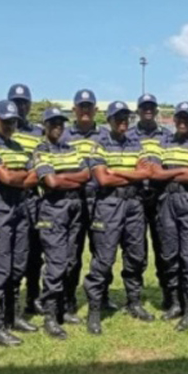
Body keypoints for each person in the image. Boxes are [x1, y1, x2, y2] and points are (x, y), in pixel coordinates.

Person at [84, 101, 158, 335]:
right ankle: (95, 310)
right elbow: (103, 180)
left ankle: (133, 302)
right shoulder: (99, 145)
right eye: (118, 118)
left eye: (126, 117)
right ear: (109, 120)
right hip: (108, 205)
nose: (122, 122)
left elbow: (148, 173)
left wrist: (116, 171)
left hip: (134, 205)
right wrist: (134, 174)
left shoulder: (137, 144)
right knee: (104, 259)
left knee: (136, 256)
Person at [0, 100, 39, 346]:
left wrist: (18, 177)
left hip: (20, 208)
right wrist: (21, 176)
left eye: (14, 122)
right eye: (5, 121)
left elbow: (36, 175)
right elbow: (4, 177)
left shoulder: (18, 147)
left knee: (18, 266)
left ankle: (12, 317)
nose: (10, 125)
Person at [32, 107, 91, 339]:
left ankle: (64, 308)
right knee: (56, 263)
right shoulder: (40, 150)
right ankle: (50, 316)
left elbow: (86, 175)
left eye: (60, 123)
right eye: (53, 123)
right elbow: (51, 182)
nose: (57, 126)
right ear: (44, 126)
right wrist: (67, 179)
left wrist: (62, 177)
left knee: (71, 260)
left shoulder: (71, 149)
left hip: (75, 207)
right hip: (54, 209)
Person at [152, 101, 188, 331]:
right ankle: (176, 303)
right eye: (180, 117)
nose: (183, 122)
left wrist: (168, 173)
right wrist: (182, 171)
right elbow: (154, 174)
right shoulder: (162, 142)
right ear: (174, 119)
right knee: (169, 255)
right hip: (166, 201)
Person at [60, 89, 113, 315]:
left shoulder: (105, 136)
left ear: (96, 109)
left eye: (89, 106)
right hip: (73, 199)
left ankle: (102, 295)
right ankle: (68, 298)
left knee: (102, 251)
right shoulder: (63, 135)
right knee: (71, 253)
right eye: (81, 106)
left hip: (101, 199)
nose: (85, 110)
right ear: (74, 109)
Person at [127, 93, 173, 315]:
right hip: (135, 197)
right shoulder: (128, 136)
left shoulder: (167, 136)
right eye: (144, 107)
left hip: (160, 197)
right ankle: (134, 299)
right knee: (135, 249)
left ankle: (169, 294)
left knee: (165, 247)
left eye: (151, 107)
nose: (148, 110)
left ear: (156, 111)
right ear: (137, 111)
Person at [7, 84, 46, 317]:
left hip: (33, 198)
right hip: (9, 198)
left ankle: (33, 297)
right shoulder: (4, 129)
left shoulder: (38, 132)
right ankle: (11, 302)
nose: (20, 107)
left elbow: (42, 164)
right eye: (16, 102)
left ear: (30, 105)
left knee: (35, 251)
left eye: (24, 102)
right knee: (12, 252)